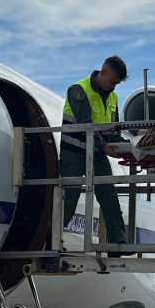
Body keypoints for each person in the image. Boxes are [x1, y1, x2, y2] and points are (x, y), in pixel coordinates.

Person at [60, 57, 128, 249]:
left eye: (117, 84)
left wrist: (125, 146)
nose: (113, 87)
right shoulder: (78, 90)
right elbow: (84, 124)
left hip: (96, 152)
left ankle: (117, 241)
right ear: (103, 72)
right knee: (70, 194)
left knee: (108, 192)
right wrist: (104, 146)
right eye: (112, 81)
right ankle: (52, 239)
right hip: (74, 151)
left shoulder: (113, 96)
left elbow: (113, 129)